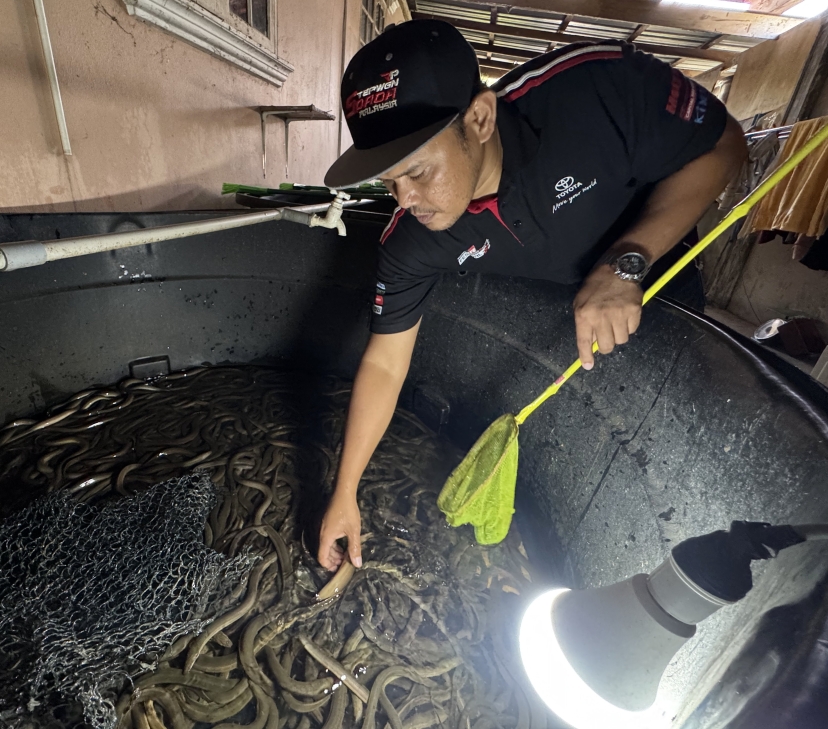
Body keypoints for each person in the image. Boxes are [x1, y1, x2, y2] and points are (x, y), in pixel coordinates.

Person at [316, 19, 747, 572]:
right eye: (388, 181)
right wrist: (345, 490)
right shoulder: (410, 242)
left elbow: (726, 146)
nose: (407, 199)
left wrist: (628, 261)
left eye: (419, 171)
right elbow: (384, 362)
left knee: (665, 439)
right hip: (559, 307)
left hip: (650, 282)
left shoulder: (597, 88)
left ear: (479, 118)